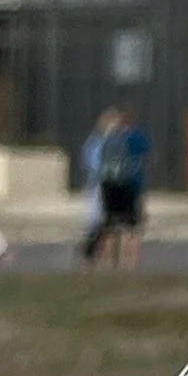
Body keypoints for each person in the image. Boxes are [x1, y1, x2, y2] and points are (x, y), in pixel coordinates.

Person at [79, 104, 152, 271]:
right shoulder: (137, 137)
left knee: (110, 227)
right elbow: (145, 160)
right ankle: (130, 265)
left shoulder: (106, 140)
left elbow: (94, 163)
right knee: (133, 229)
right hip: (132, 185)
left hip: (108, 185)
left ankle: (108, 264)